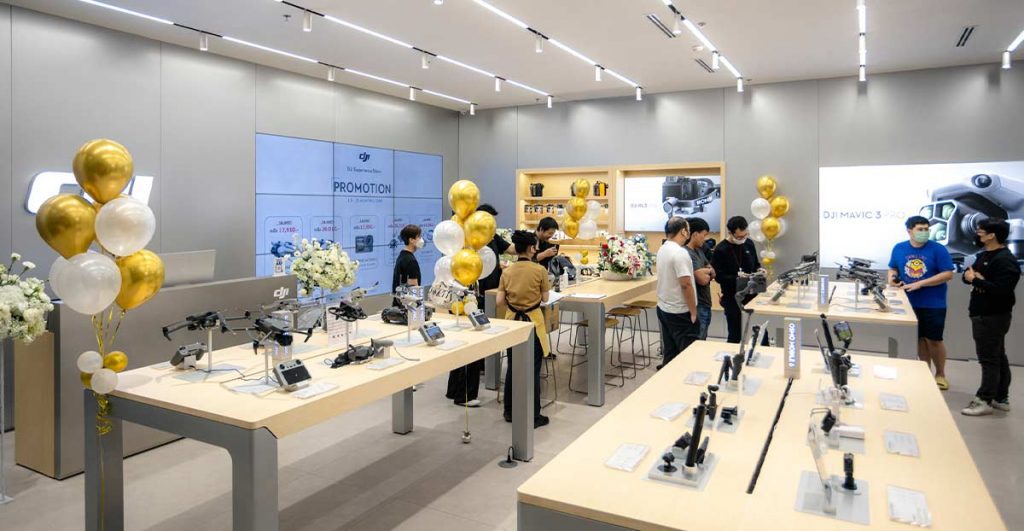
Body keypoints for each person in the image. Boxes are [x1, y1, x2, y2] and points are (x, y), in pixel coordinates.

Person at [446, 204, 510, 407]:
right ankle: (464, 395)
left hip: (480, 296)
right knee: (470, 345)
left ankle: (455, 390)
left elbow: (508, 249)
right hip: (469, 297)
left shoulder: (491, 237)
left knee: (467, 344)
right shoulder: (468, 238)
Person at [960, 218, 1020, 416]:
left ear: (992, 235)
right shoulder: (984, 255)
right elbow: (968, 275)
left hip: (992, 316)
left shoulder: (1005, 260)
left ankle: (984, 399)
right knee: (997, 356)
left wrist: (977, 280)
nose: (977, 234)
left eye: (981, 232)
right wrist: (973, 278)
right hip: (980, 312)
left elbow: (1002, 290)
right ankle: (1000, 397)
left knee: (989, 359)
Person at [888, 215, 955, 390]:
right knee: (919, 340)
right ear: (909, 231)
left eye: (926, 229)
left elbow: (948, 274)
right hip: (909, 302)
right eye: (920, 229)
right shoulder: (899, 248)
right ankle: (925, 372)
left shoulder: (938, 249)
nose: (924, 232)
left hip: (933, 302)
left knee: (934, 340)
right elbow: (893, 267)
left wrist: (920, 283)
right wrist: (892, 279)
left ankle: (940, 374)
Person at [497, 230, 551, 427]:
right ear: (531, 248)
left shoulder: (507, 271)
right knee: (533, 370)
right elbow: (545, 298)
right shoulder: (539, 270)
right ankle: (533, 415)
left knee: (513, 367)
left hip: (513, 323)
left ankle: (509, 411)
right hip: (533, 323)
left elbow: (499, 301)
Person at [656, 217, 699, 368]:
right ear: (683, 231)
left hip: (664, 307)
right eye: (688, 230)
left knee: (670, 353)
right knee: (688, 355)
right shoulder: (680, 253)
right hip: (680, 312)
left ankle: (668, 379)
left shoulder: (663, 249)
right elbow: (686, 284)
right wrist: (693, 312)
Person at [712, 216, 762, 343]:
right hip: (732, 296)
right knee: (735, 332)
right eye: (739, 237)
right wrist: (737, 278)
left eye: (745, 235)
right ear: (730, 233)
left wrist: (760, 270)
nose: (743, 239)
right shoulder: (721, 249)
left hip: (752, 294)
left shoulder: (749, 243)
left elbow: (756, 264)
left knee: (757, 330)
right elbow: (718, 276)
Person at [685, 217, 715, 340]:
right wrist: (706, 271)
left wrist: (707, 270)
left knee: (703, 339)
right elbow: (702, 279)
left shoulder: (700, 250)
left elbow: (713, 272)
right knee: (697, 342)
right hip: (698, 305)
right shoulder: (687, 253)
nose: (705, 238)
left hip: (705, 303)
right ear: (695, 234)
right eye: (704, 235)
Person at [391, 224, 422, 307]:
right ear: (411, 240)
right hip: (407, 308)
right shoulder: (411, 261)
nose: (421, 240)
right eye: (418, 237)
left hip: (398, 305)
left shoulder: (402, 256)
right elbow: (414, 290)